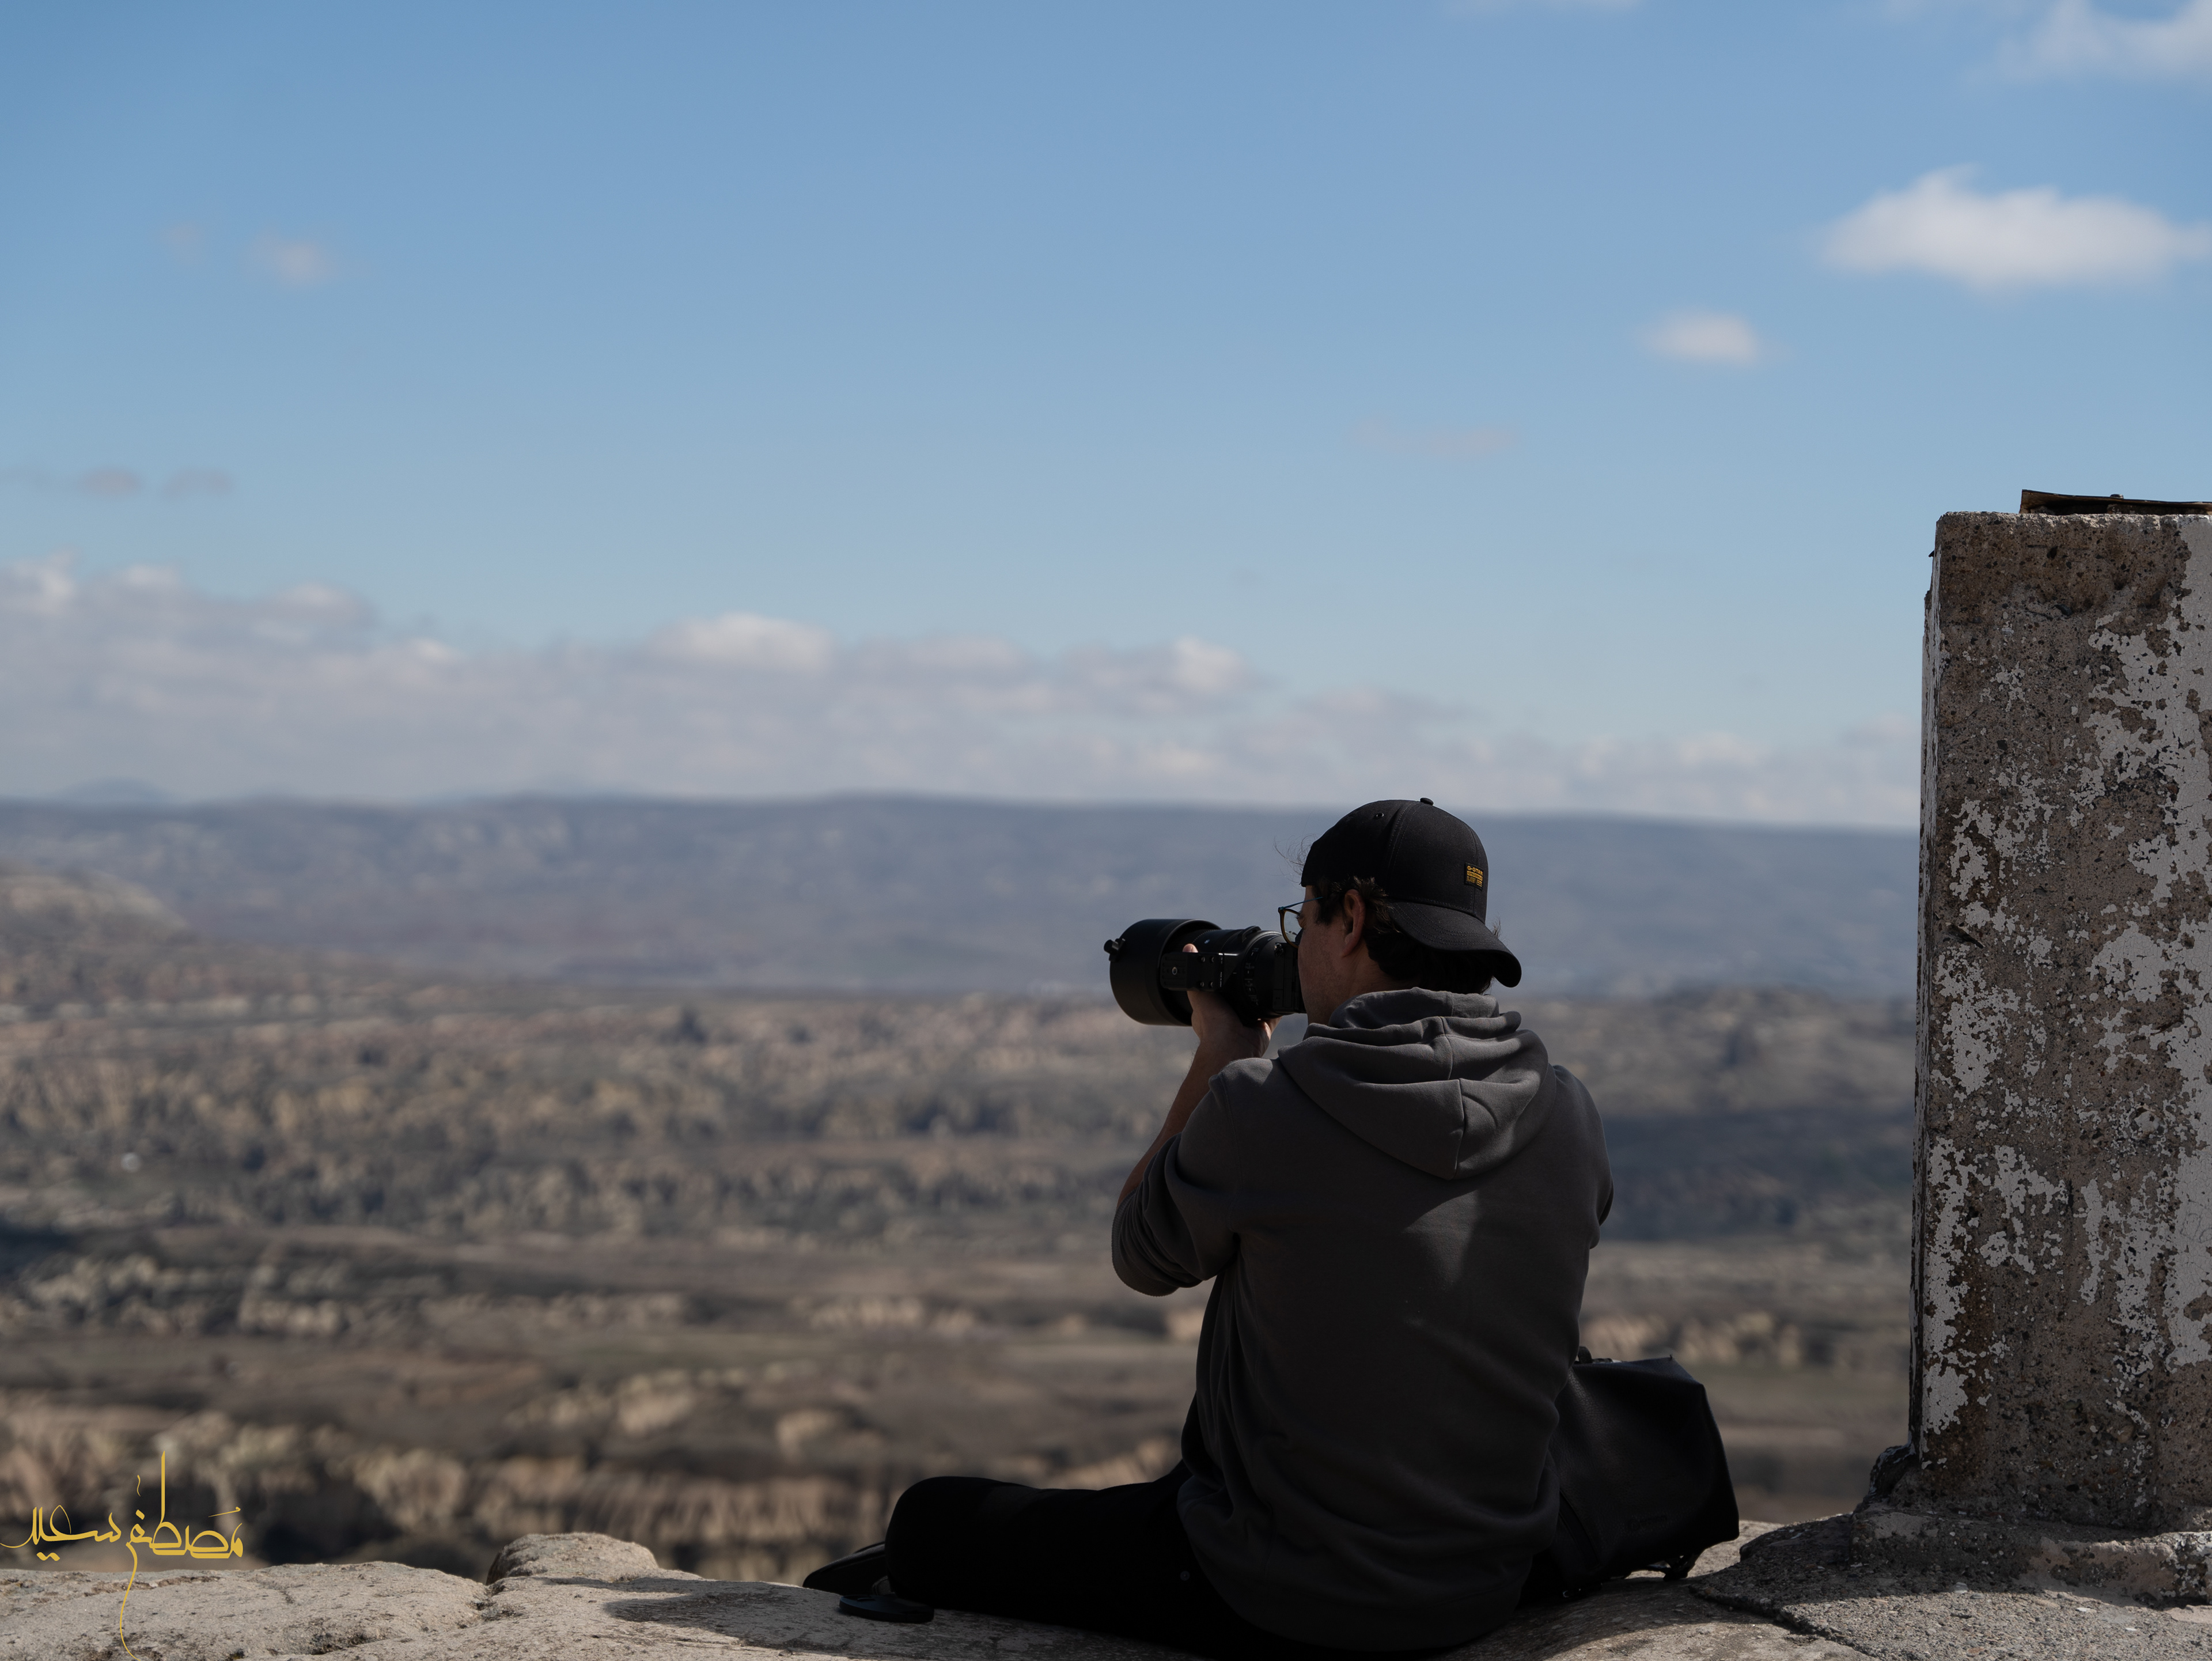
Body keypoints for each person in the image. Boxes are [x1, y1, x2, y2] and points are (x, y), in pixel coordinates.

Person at [807, 799, 1612, 1657]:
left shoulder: (1270, 1107)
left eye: (1303, 918)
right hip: (1484, 1584)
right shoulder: (1568, 1111)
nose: (1295, 946)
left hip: (1275, 1588)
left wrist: (1222, 1053)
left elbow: (1139, 1254)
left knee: (931, 1520)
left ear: (1348, 920)